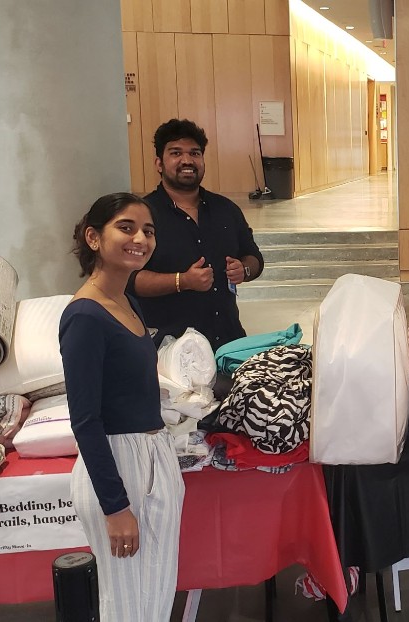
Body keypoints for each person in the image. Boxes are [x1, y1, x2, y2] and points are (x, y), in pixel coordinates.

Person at [61, 192, 184, 621]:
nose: (140, 238)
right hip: (119, 463)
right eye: (126, 227)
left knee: (155, 598)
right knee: (127, 604)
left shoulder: (127, 302)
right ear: (94, 238)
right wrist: (115, 506)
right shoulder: (85, 316)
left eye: (148, 230)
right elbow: (85, 420)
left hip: (152, 455)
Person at [128, 118, 264, 351]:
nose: (187, 160)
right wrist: (182, 281)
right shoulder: (142, 214)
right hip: (170, 350)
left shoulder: (226, 209)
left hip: (228, 343)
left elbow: (254, 257)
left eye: (195, 153)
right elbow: (129, 279)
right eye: (176, 153)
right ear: (159, 163)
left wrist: (244, 270)